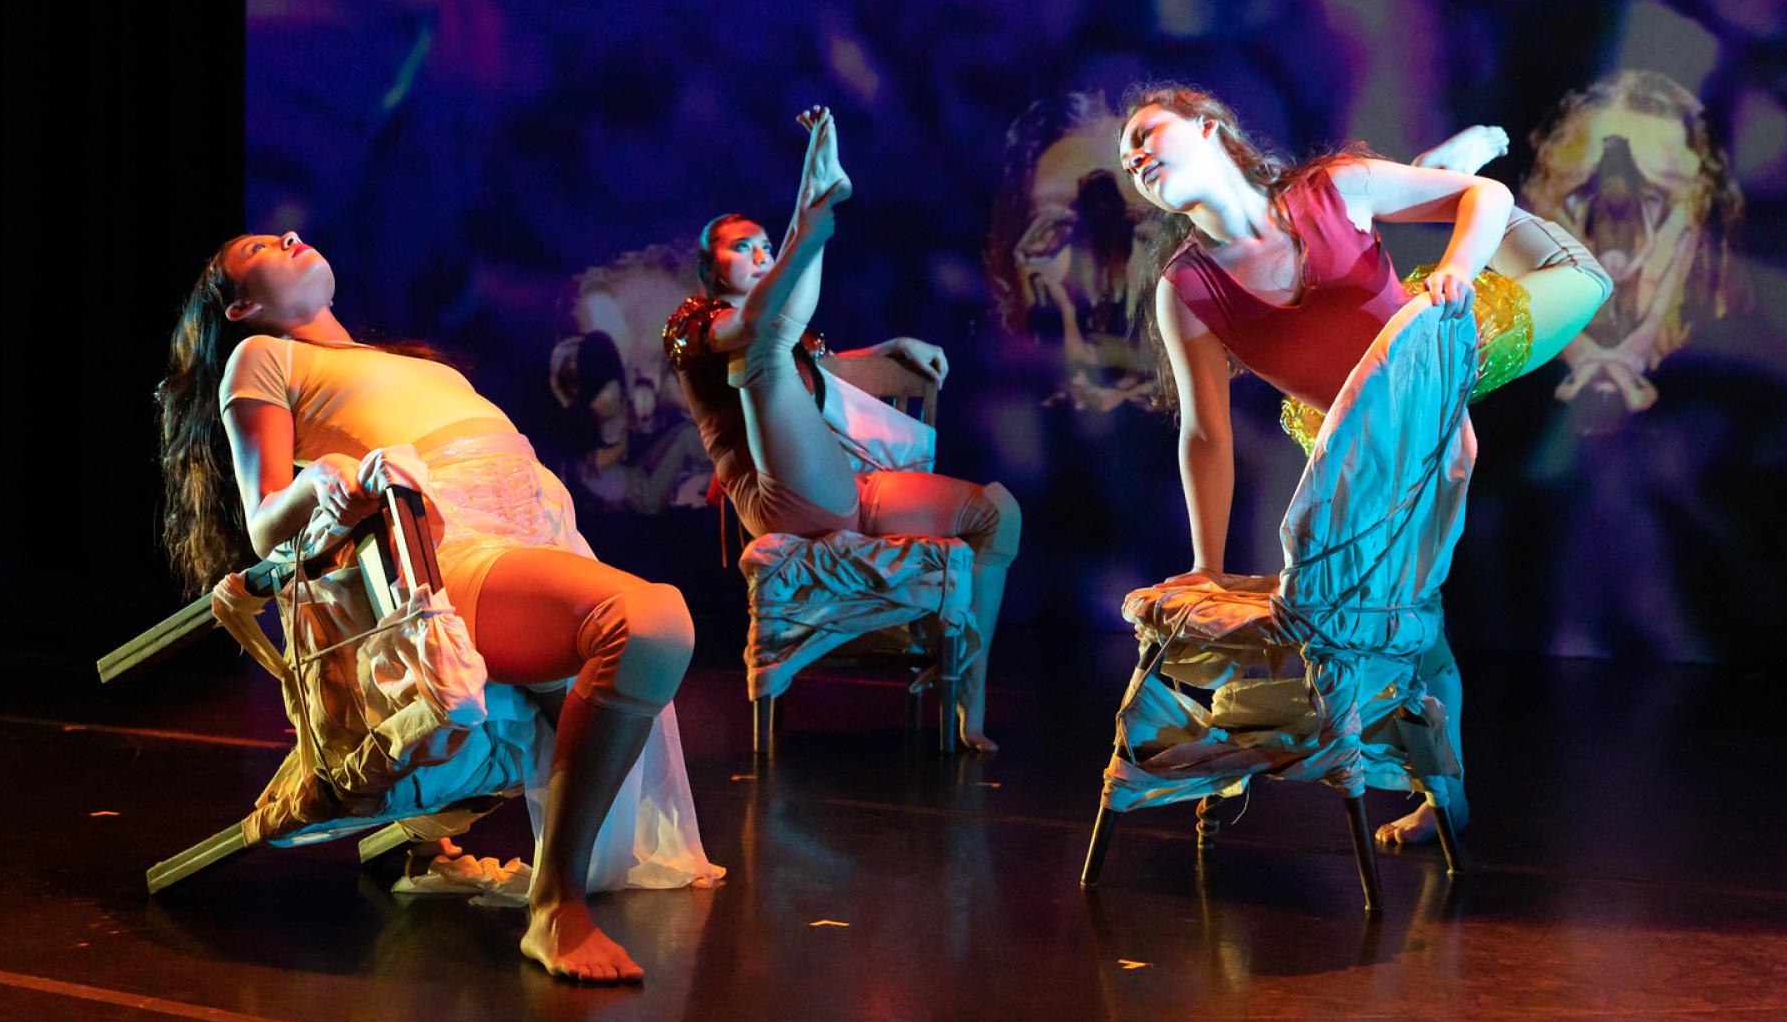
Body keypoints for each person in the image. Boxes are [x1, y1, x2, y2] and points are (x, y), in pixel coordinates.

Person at [155, 230, 719, 983]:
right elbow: (263, 522)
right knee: (652, 621)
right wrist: (322, 483)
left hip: (535, 531)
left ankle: (466, 853)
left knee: (633, 651)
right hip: (448, 545)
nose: (290, 235)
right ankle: (557, 905)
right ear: (243, 305)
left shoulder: (399, 360)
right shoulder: (262, 357)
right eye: (260, 245)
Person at [1119, 84, 1612, 845]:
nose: (1137, 157)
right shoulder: (1187, 289)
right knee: (1412, 608)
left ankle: (1438, 169)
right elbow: (1206, 435)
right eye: (1128, 158)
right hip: (1354, 428)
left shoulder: (1330, 189)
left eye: (1148, 135)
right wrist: (1205, 563)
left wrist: (1454, 264)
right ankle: (1446, 798)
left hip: (1440, 346)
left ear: (1211, 128)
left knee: (1586, 279)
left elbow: (1481, 198)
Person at [664, 106, 1022, 751]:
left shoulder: (788, 339)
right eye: (740, 245)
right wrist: (811, 226)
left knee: (998, 512)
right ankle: (822, 208)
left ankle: (968, 700)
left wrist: (891, 345)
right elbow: (762, 338)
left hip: (842, 487)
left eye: (765, 243)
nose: (756, 251)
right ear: (713, 268)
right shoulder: (700, 323)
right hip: (780, 503)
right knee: (767, 348)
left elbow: (818, 377)